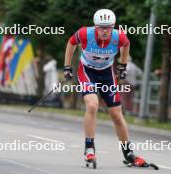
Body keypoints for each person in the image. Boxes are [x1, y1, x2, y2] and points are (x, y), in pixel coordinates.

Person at [63, 9, 148, 167]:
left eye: (108, 27)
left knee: (116, 114)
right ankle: (89, 148)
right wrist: (67, 66)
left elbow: (126, 44)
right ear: (95, 26)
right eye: (100, 27)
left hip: (107, 74)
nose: (104, 31)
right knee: (92, 105)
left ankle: (128, 153)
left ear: (113, 26)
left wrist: (122, 65)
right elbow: (71, 43)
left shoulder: (119, 36)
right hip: (87, 72)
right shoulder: (84, 33)